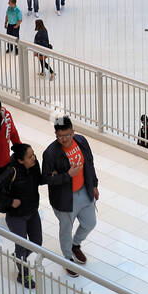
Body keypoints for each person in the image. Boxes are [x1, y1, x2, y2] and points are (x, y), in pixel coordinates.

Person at [42, 116, 99, 277]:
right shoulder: (51, 153)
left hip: (84, 190)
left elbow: (90, 163)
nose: (64, 139)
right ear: (56, 134)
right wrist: (68, 175)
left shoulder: (81, 141)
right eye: (60, 136)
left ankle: (76, 244)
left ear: (73, 132)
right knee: (66, 230)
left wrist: (94, 184)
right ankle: (68, 258)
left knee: (90, 222)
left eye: (67, 135)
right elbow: (46, 178)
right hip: (64, 199)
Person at [0, 142, 47, 288]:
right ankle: (23, 275)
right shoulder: (12, 171)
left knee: (37, 243)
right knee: (21, 245)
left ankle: (20, 257)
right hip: (16, 216)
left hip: (32, 211)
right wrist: (10, 201)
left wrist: (54, 176)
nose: (34, 158)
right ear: (20, 160)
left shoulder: (34, 166)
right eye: (30, 157)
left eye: (33, 155)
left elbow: (39, 180)